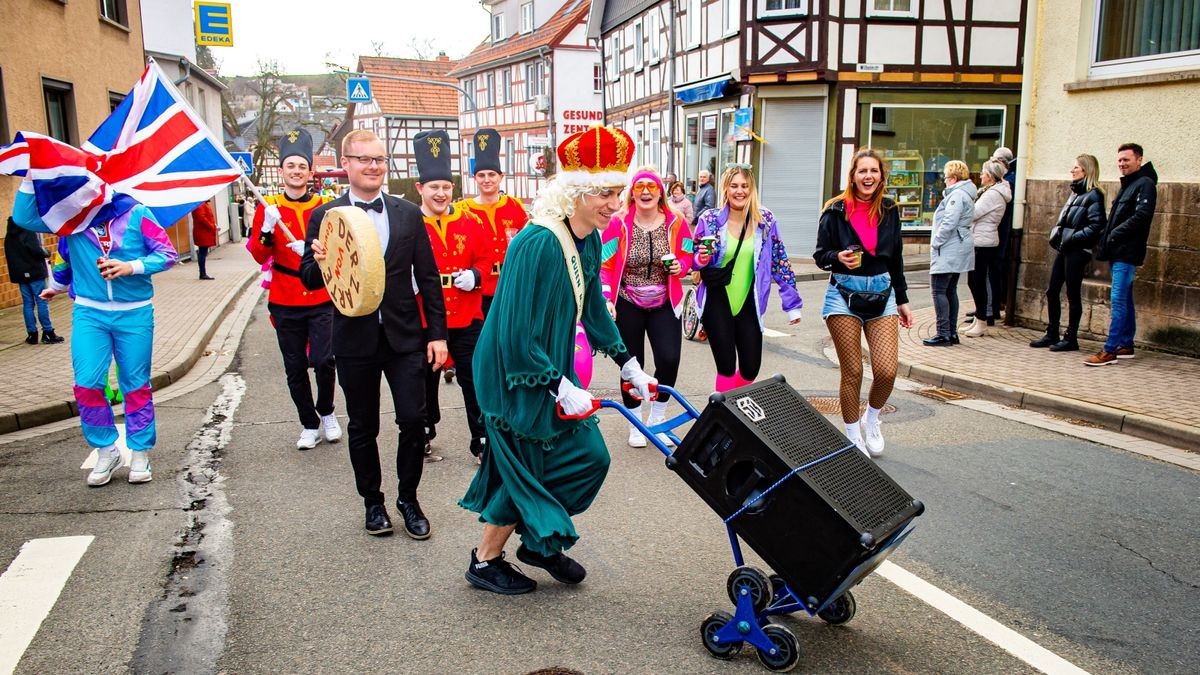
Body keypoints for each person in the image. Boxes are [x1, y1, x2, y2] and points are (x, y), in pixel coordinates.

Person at [459, 124, 657, 595]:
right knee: (524, 465)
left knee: (590, 457)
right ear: (575, 193)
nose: (615, 205)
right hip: (514, 371)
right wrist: (557, 385)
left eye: (617, 193)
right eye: (604, 195)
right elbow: (512, 331)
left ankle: (538, 543)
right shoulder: (538, 242)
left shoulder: (588, 237)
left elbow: (591, 307)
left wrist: (627, 363)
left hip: (548, 366)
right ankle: (485, 560)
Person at [299, 129, 449, 538]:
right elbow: (310, 278)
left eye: (379, 160)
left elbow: (429, 278)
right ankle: (373, 503)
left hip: (405, 337)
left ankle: (408, 498)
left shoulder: (406, 213)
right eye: (364, 160)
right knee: (364, 426)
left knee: (413, 419)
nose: (373, 167)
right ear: (345, 163)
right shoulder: (325, 217)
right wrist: (319, 260)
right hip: (353, 338)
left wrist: (438, 334)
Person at [13, 180, 178, 486]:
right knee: (87, 383)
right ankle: (106, 449)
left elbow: (167, 254)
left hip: (135, 312)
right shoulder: (72, 219)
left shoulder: (137, 212)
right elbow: (31, 226)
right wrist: (29, 174)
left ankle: (139, 452)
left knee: (135, 384)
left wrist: (132, 266)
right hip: (90, 312)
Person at [814, 147, 913, 457]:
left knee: (886, 371)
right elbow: (820, 255)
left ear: (881, 175)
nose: (868, 176)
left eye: (873, 171)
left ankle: (872, 417)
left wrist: (903, 299)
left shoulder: (889, 210)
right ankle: (852, 433)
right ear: (853, 176)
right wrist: (837, 257)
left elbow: (896, 257)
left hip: (883, 293)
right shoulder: (835, 210)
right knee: (853, 370)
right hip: (843, 293)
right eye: (862, 171)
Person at [247, 128, 341, 450]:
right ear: (282, 171)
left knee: (325, 359)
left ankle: (327, 412)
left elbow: (339, 249)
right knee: (295, 365)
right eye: (291, 166)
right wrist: (265, 228)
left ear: (310, 171)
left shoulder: (325, 206)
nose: (297, 171)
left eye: (302, 166)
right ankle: (308, 422)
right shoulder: (268, 207)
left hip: (319, 296)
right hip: (285, 297)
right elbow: (258, 254)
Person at [413, 129, 491, 463]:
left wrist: (474, 275)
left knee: (474, 379)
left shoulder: (471, 222)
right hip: (425, 317)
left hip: (467, 313)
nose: (441, 193)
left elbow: (486, 259)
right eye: (434, 187)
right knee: (425, 380)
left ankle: (481, 437)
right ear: (421, 188)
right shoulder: (409, 222)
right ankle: (426, 430)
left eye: (446, 187)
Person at [600, 168, 693, 448]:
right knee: (632, 364)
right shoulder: (619, 223)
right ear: (633, 193)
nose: (645, 192)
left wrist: (682, 266)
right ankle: (636, 422)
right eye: (639, 187)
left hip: (664, 300)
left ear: (660, 193)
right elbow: (605, 264)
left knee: (669, 358)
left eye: (650, 187)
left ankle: (658, 417)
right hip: (628, 301)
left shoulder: (676, 222)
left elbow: (688, 255)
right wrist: (606, 297)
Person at [691, 165, 803, 392]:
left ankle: (727, 404)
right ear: (725, 189)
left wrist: (792, 304)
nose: (739, 191)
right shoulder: (710, 219)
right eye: (734, 186)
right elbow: (691, 259)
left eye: (744, 186)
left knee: (751, 368)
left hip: (750, 300)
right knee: (726, 366)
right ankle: (726, 418)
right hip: (716, 297)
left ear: (752, 189)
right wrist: (701, 258)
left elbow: (779, 260)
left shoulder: (765, 220)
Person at [1087, 143, 1158, 366]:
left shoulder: (1145, 184)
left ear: (1139, 160)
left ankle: (1110, 351)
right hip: (1118, 251)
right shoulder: (1130, 184)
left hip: (1127, 253)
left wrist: (1115, 233)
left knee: (1117, 301)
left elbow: (1142, 216)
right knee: (1125, 299)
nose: (1122, 164)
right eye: (1119, 160)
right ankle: (1125, 344)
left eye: (1126, 160)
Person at [1028, 155, 1106, 353]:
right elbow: (1065, 221)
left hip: (1078, 251)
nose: (1072, 171)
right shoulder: (1075, 193)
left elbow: (1097, 225)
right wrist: (1058, 234)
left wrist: (1072, 238)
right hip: (1065, 248)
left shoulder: (1094, 194)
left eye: (1076, 168)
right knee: (1052, 290)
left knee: (1072, 293)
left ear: (1086, 171)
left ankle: (1071, 338)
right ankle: (1052, 332)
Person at [456, 128, 528, 316]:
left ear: (501, 177)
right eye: (481, 175)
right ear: (475, 178)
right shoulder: (463, 211)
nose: (486, 180)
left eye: (491, 175)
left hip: (510, 286)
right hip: (478, 290)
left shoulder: (515, 206)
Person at [923, 160, 976, 346]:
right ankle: (951, 332)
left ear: (953, 178)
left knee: (939, 290)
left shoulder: (957, 195)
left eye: (945, 178)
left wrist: (936, 242)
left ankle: (943, 333)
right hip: (958, 245)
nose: (944, 181)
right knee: (950, 290)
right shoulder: (965, 194)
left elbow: (949, 222)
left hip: (949, 247)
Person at [962, 160, 1012, 338]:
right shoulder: (990, 192)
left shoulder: (993, 195)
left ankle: (982, 320)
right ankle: (979, 318)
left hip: (983, 242)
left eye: (983, 173)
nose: (980, 176)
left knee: (977, 281)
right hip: (981, 240)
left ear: (990, 176)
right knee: (974, 281)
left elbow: (973, 214)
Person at [5, 216, 64, 344]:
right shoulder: (28, 230)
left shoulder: (9, 235)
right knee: (41, 300)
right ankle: (48, 332)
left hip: (20, 274)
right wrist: (46, 252)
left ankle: (32, 335)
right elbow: (35, 250)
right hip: (34, 271)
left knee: (28, 303)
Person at [191, 200, 217, 280]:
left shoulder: (202, 204)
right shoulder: (200, 205)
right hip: (203, 233)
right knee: (202, 253)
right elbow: (202, 218)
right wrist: (212, 226)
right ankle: (202, 273)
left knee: (203, 252)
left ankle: (203, 273)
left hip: (203, 232)